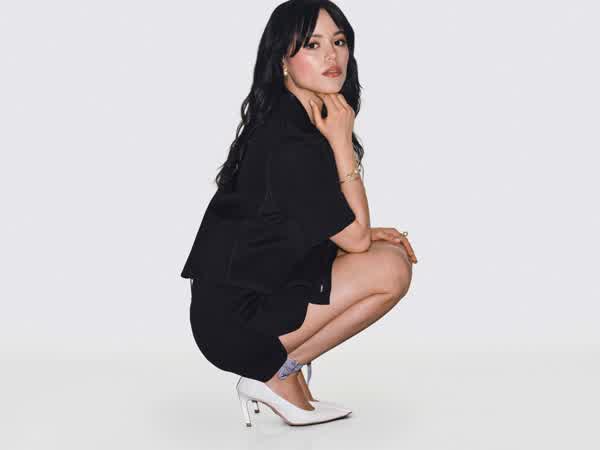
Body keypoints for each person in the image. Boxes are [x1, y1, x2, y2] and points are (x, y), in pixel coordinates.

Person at [180, 0, 418, 427]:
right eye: (312, 44)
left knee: (388, 255)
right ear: (283, 61)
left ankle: (280, 372)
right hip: (235, 320)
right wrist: (343, 143)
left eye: (339, 42)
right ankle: (276, 374)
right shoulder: (291, 140)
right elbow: (355, 239)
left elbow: (294, 225)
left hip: (244, 299)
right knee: (390, 269)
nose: (331, 55)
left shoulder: (294, 118)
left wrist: (365, 232)